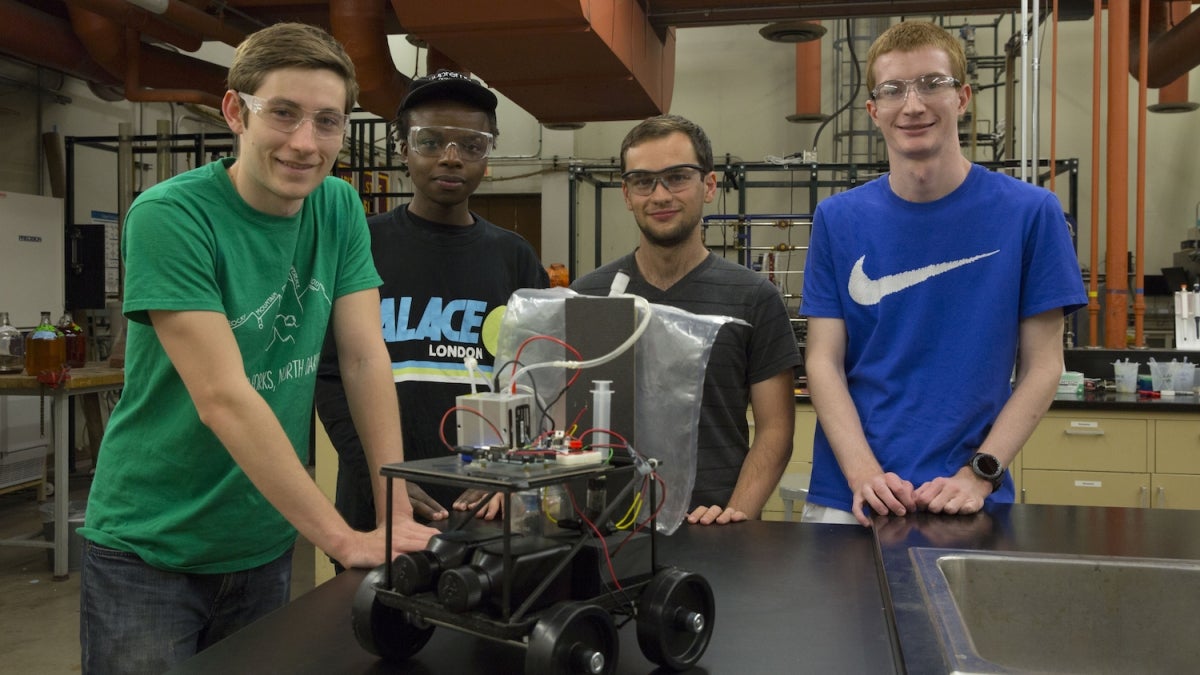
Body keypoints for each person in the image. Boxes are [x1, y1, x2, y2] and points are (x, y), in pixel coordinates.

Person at [77, 23, 438, 673]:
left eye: (327, 121)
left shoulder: (338, 208)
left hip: (263, 541)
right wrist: (340, 537)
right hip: (152, 548)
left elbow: (362, 357)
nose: (306, 143)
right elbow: (222, 396)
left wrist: (394, 507)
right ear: (235, 111)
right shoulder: (172, 215)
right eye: (285, 114)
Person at [800, 21, 1087, 527]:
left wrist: (981, 473)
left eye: (932, 83)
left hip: (966, 494)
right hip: (851, 498)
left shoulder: (1031, 214)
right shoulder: (837, 219)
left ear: (963, 97)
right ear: (873, 110)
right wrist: (862, 471)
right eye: (893, 90)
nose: (913, 105)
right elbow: (823, 361)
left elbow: (1044, 366)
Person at [315, 71, 548, 530]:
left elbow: (539, 379)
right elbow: (328, 377)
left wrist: (507, 467)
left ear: (487, 156)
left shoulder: (514, 257)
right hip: (378, 509)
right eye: (430, 141)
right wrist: (384, 476)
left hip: (488, 510)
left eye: (471, 145)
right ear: (403, 150)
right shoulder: (360, 245)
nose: (451, 158)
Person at [571, 114, 801, 526]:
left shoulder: (753, 299)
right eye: (643, 181)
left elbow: (776, 430)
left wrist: (736, 514)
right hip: (605, 528)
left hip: (713, 525)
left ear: (708, 186)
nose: (659, 195)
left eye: (677, 177)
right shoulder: (590, 295)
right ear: (626, 194)